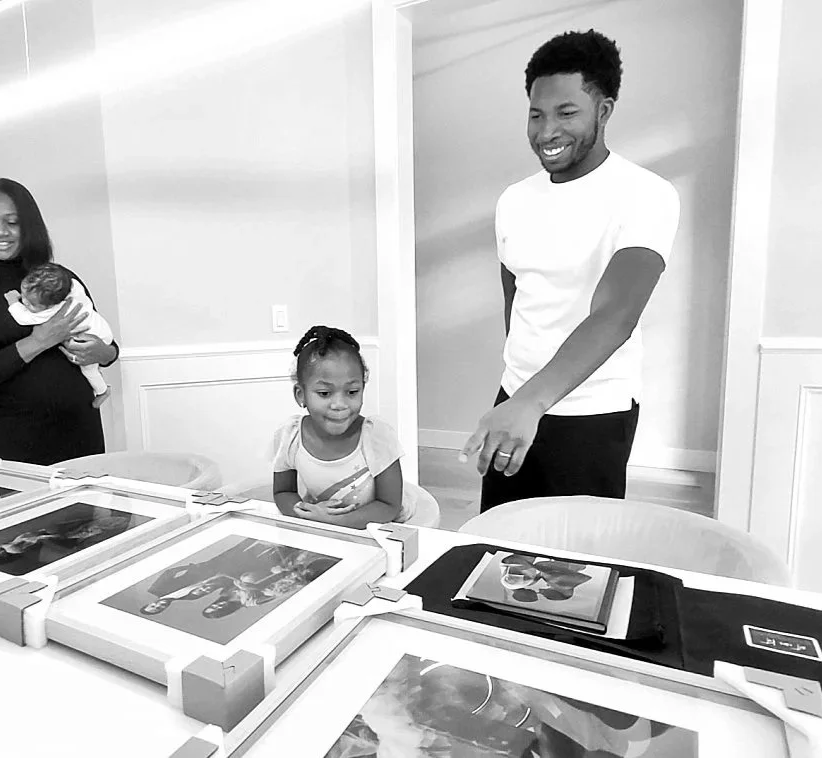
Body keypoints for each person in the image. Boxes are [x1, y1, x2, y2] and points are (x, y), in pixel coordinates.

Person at [460, 30, 681, 511]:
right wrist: (516, 396)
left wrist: (532, 402)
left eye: (566, 113)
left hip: (592, 412)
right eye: (536, 115)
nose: (546, 132)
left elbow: (616, 315)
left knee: (579, 567)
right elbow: (515, 299)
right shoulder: (514, 200)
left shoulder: (647, 195)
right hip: (515, 397)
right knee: (501, 549)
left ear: (603, 111)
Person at [0, 178, 119, 465]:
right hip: (21, 433)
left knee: (91, 509)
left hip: (83, 425)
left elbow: (105, 343)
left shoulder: (60, 278)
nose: (0, 231)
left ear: (28, 226)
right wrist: (39, 340)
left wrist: (104, 353)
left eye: (12, 222)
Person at [271, 326, 414, 528]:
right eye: (324, 393)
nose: (340, 404)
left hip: (383, 529)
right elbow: (283, 492)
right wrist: (307, 515)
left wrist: (337, 521)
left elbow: (389, 505)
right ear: (300, 395)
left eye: (352, 392)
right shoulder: (290, 435)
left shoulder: (375, 436)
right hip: (325, 530)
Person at [7, 262, 116, 408]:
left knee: (89, 370)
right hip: (103, 328)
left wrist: (13, 300)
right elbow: (72, 283)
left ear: (51, 304)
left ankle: (102, 391)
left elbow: (23, 318)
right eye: (23, 294)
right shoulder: (75, 290)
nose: (24, 301)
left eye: (32, 304)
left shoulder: (52, 312)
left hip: (91, 339)